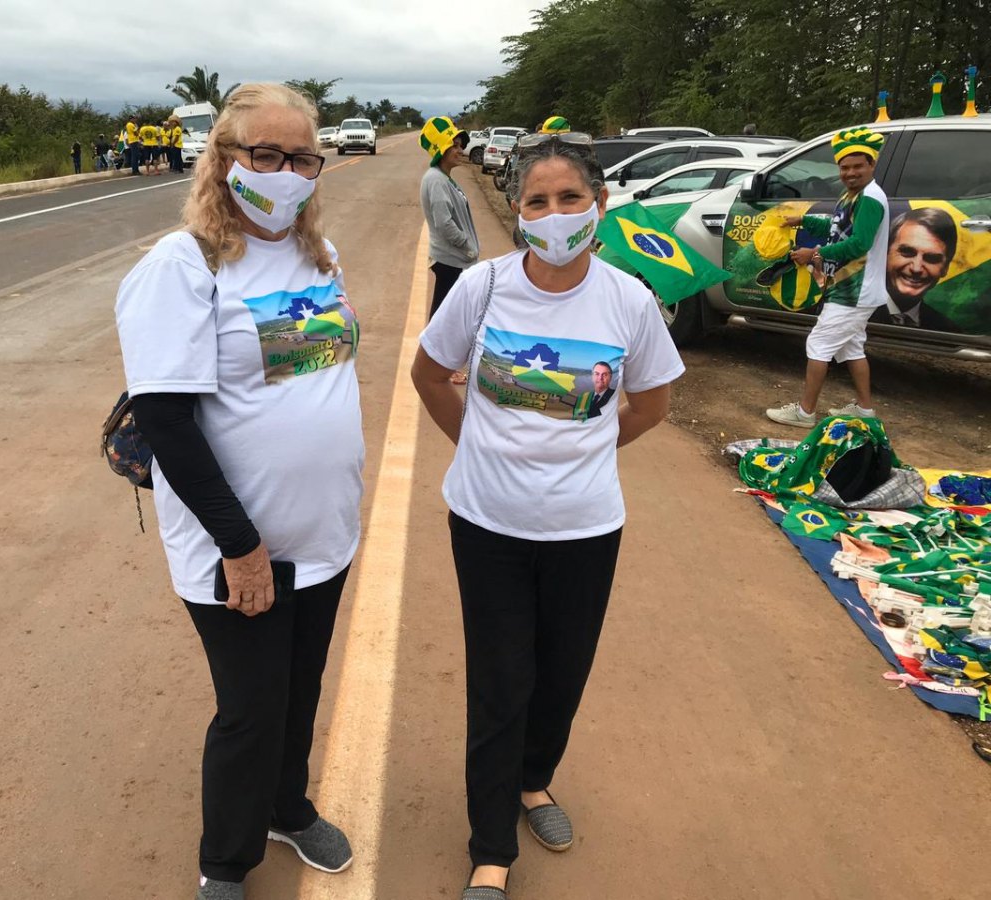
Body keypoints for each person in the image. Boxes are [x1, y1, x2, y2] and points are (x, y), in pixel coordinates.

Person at [411, 131, 684, 900]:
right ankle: (491, 850)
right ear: (519, 209)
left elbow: (654, 404)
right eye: (538, 200)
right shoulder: (485, 286)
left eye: (571, 199)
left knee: (562, 677)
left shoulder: (628, 299)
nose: (555, 213)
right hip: (488, 525)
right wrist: (482, 445)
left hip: (586, 529)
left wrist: (592, 446)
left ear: (599, 205)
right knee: (503, 682)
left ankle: (536, 784)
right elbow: (430, 375)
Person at [114, 82, 362, 900]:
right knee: (250, 711)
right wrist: (241, 546)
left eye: (301, 157)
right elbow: (168, 421)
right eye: (266, 154)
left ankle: (287, 808)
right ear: (224, 161)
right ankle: (225, 862)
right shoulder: (181, 267)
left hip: (323, 534)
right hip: (238, 545)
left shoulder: (317, 258)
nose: (286, 172)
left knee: (299, 692)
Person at [765, 127, 890, 426]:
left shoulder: (870, 199)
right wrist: (803, 220)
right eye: (845, 167)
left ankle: (805, 412)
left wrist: (815, 255)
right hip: (850, 288)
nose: (850, 172)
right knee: (852, 347)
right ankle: (863, 408)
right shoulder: (851, 196)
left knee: (819, 344)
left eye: (858, 166)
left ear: (872, 165)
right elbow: (837, 227)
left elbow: (859, 243)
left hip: (854, 290)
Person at [419, 115, 480, 322]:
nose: (460, 151)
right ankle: (429, 354)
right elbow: (444, 223)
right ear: (440, 149)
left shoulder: (444, 178)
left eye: (460, 146)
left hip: (454, 259)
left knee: (447, 316)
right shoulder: (436, 180)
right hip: (450, 260)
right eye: (454, 146)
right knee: (441, 320)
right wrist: (467, 247)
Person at [869, 207, 961, 331]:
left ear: (945, 268)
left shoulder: (948, 330)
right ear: (885, 253)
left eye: (932, 258)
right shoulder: (853, 314)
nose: (916, 268)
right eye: (907, 252)